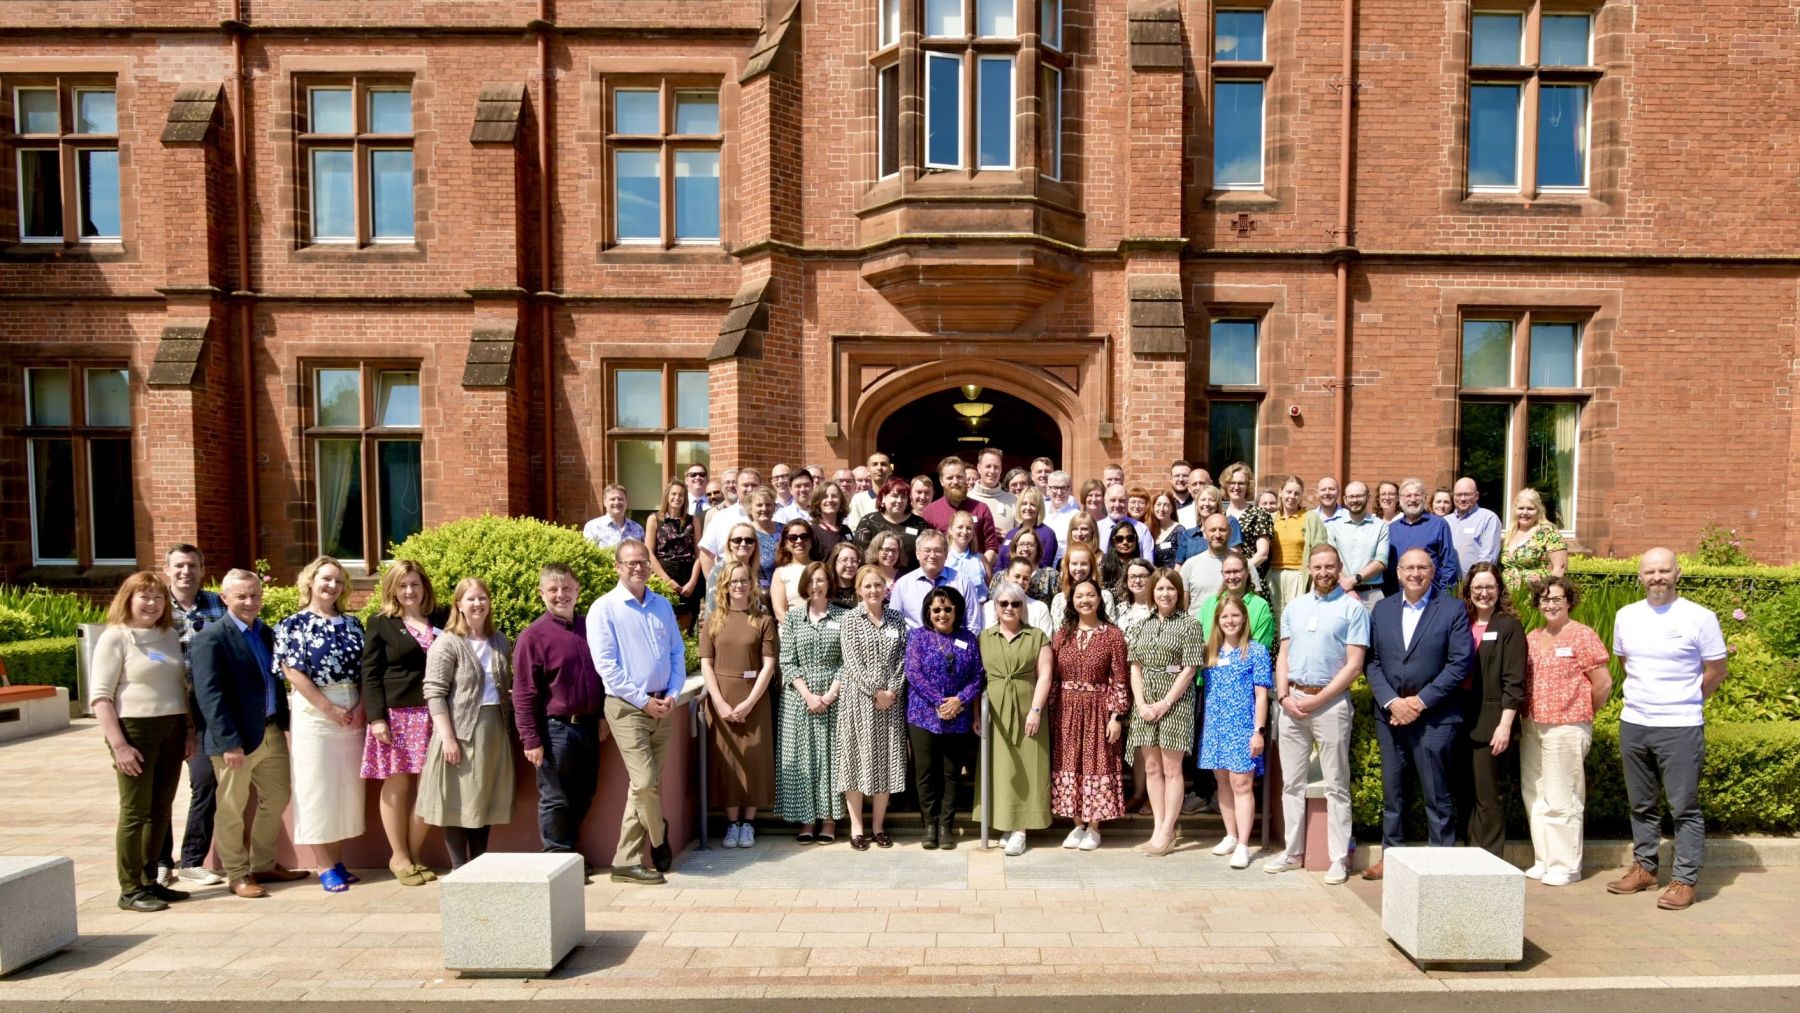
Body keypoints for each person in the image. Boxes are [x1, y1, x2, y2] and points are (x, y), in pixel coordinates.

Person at [1606, 548, 1728, 911]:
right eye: (1650, 571)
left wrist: (1687, 699)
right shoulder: (1626, 616)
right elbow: (1628, 664)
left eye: (1664, 570)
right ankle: (1645, 867)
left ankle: (1685, 879)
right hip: (1635, 722)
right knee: (1641, 803)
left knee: (1684, 807)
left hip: (1680, 726)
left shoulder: (1699, 617)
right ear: (1640, 576)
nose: (1657, 577)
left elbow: (1716, 670)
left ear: (1678, 573)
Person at [1361, 548, 1473, 880]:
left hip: (1435, 717)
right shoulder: (1382, 609)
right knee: (1393, 793)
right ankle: (1390, 856)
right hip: (1391, 716)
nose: (1414, 573)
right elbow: (1372, 661)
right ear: (1398, 573)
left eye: (1421, 567)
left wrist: (1418, 702)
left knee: (1437, 795)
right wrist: (1392, 702)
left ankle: (1442, 862)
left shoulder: (1452, 610)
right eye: (1408, 567)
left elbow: (1459, 664)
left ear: (1432, 571)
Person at [191, 568, 301, 898]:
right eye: (241, 596)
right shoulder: (210, 638)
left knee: (278, 796)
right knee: (231, 807)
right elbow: (208, 694)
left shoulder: (265, 633)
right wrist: (229, 742)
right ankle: (237, 874)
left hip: (269, 731)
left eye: (255, 594)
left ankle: (263, 863)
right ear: (224, 598)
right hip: (235, 741)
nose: (250, 601)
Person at [1263, 544, 1368, 884]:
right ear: (1309, 568)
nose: (1323, 572)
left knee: (1336, 784)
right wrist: (1283, 696)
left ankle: (1339, 858)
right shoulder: (1295, 607)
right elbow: (1283, 656)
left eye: (1329, 566)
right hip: (1292, 702)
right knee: (1291, 784)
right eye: (1318, 566)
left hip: (1331, 704)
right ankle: (1292, 851)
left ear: (1339, 567)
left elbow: (1354, 665)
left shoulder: (1353, 609)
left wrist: (1318, 699)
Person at [91, 572, 191, 912]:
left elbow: (180, 687)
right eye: (144, 597)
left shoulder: (169, 635)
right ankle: (130, 888)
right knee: (135, 812)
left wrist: (188, 730)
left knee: (161, 809)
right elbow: (101, 698)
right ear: (128, 600)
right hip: (135, 730)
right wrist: (119, 745)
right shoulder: (115, 638)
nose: (152, 604)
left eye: (159, 598)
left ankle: (151, 881)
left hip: (173, 727)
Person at [591, 539, 686, 885]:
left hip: (664, 705)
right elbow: (607, 667)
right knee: (645, 782)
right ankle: (658, 835)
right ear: (617, 567)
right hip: (627, 707)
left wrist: (674, 692)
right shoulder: (604, 609)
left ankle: (625, 862)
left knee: (642, 786)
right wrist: (643, 701)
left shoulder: (662, 606)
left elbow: (677, 654)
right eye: (630, 563)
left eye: (643, 561)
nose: (638, 567)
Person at [274, 556, 367, 891]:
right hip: (316, 711)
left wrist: (360, 705)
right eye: (326, 579)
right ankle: (323, 864)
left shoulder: (354, 624)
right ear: (310, 581)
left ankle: (338, 859)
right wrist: (327, 708)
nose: (332, 586)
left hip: (352, 707)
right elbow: (292, 671)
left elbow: (366, 670)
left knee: (345, 789)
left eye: (339, 581)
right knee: (316, 787)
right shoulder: (293, 624)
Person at [418, 577, 515, 870]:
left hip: (494, 730)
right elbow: (434, 692)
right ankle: (460, 868)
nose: (477, 604)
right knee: (458, 803)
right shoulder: (448, 642)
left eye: (482, 598)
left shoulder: (499, 640)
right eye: (471, 599)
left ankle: (480, 865)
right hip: (460, 731)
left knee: (483, 799)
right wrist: (447, 738)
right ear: (458, 604)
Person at [1522, 576, 1612, 887]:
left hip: (1566, 726)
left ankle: (1565, 865)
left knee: (1563, 797)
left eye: (1556, 599)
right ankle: (1543, 859)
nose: (1550, 604)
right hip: (1533, 725)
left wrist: (1582, 715)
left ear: (1569, 601)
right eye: (1545, 599)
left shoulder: (1582, 636)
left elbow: (1603, 684)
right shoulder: (1532, 638)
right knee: (1535, 795)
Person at [512, 563, 605, 857]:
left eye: (566, 588)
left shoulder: (591, 627)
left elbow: (606, 676)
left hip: (589, 727)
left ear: (578, 590)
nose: (560, 595)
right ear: (542, 594)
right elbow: (524, 693)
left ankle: (570, 855)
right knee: (555, 799)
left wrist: (602, 716)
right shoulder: (533, 637)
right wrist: (531, 739)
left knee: (584, 794)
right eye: (553, 590)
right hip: (555, 730)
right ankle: (556, 858)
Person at [359, 560, 443, 886]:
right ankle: (399, 856)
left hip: (435, 714)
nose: (409, 591)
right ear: (393, 589)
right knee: (398, 784)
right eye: (403, 585)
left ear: (424, 587)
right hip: (398, 715)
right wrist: (377, 718)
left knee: (430, 785)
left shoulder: (441, 618)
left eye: (415, 584)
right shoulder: (381, 624)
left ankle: (415, 853)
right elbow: (370, 674)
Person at [160, 544, 228, 887]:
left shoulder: (218, 603)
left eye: (192, 566)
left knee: (205, 780)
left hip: (206, 705)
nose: (185, 572)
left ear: (202, 569)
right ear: (167, 569)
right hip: (166, 705)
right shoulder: (154, 604)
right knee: (162, 786)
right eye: (179, 566)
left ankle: (191, 860)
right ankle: (160, 861)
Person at [1125, 568, 1205, 856]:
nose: (1165, 594)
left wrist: (1166, 703)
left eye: (1170, 589)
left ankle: (1169, 828)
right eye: (1159, 589)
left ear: (1179, 592)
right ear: (1152, 592)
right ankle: (1158, 827)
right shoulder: (1141, 625)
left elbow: (1190, 668)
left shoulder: (1190, 625)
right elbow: (1134, 666)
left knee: (1172, 768)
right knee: (1151, 768)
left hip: (1176, 701)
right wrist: (1142, 703)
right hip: (1145, 701)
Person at [699, 560, 779, 850]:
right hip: (722, 699)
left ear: (751, 584)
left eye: (744, 580)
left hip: (754, 699)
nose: (739, 585)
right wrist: (718, 701)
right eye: (733, 581)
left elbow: (769, 664)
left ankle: (749, 823)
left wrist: (749, 702)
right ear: (724, 585)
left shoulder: (763, 620)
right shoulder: (714, 619)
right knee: (726, 762)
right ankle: (732, 824)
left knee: (753, 760)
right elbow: (706, 662)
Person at [1049, 578, 1130, 851]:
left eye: (1090, 595)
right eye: (1079, 596)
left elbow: (1119, 678)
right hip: (1066, 708)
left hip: (1098, 708)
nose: (1085, 600)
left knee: (1098, 764)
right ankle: (1076, 824)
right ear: (1072, 601)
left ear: (1099, 599)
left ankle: (1094, 826)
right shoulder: (1061, 635)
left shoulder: (1113, 635)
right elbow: (1053, 679)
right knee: (1069, 764)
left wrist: (1116, 716)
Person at [904, 587, 984, 849]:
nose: (942, 614)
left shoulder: (968, 638)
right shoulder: (918, 637)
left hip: (957, 716)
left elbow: (977, 676)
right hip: (923, 715)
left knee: (951, 773)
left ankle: (946, 826)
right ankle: (929, 824)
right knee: (925, 773)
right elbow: (913, 673)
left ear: (957, 610)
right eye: (936, 609)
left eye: (948, 609)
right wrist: (939, 702)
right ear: (928, 611)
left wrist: (959, 700)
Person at [837, 564, 910, 850]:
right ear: (858, 590)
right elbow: (852, 662)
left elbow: (903, 658)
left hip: (890, 702)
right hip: (859, 702)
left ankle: (878, 826)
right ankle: (857, 827)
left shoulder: (895, 619)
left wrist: (891, 690)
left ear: (885, 588)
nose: (873, 590)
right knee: (855, 761)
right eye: (867, 586)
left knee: (887, 762)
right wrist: (875, 692)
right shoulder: (850, 620)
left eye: (878, 585)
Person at [1197, 595, 1272, 870]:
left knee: (1242, 785)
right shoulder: (1210, 653)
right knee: (1223, 782)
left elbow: (1261, 696)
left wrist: (1258, 731)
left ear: (1244, 619)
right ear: (1217, 621)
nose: (1229, 621)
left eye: (1234, 616)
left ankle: (1243, 843)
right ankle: (1229, 834)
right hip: (1216, 727)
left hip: (1242, 727)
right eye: (1224, 617)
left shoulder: (1255, 651)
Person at [980, 580, 1054, 856]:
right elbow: (979, 678)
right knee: (1002, 767)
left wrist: (1036, 710)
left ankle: (1022, 829)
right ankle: (1006, 823)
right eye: (1004, 603)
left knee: (1028, 766)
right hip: (996, 708)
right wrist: (978, 713)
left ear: (1023, 607)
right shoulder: (985, 637)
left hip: (1027, 706)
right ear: (995, 607)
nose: (1010, 608)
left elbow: (1045, 674)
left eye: (1015, 603)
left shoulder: (1037, 636)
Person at [775, 562, 846, 844]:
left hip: (834, 698)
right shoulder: (793, 618)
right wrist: (808, 695)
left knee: (831, 759)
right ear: (804, 584)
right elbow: (787, 661)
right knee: (802, 757)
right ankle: (806, 819)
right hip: (798, 700)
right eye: (812, 581)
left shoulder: (844, 616)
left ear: (829, 583)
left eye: (821, 580)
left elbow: (846, 661)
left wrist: (829, 695)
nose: (816, 585)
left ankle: (829, 821)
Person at [1459, 561, 1526, 858]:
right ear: (1468, 591)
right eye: (1477, 587)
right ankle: (1470, 853)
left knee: (1488, 795)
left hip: (1492, 722)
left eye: (1489, 587)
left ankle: (1489, 859)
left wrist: (1505, 724)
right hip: (1462, 719)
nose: (1483, 593)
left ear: (1499, 590)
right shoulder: (1461, 622)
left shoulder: (1508, 626)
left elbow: (1515, 681)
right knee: (1467, 793)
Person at [891, 529, 985, 637]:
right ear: (917, 553)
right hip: (916, 649)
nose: (932, 555)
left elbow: (973, 623)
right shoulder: (903, 585)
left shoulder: (963, 582)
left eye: (938, 551)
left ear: (946, 554)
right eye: (927, 550)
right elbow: (894, 625)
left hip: (954, 647)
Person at [1385, 478, 1461, 597]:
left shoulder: (1439, 525)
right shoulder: (1391, 529)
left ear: (1424, 497)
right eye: (1408, 495)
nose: (1413, 499)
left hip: (1431, 596)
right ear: (1400, 499)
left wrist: (1444, 597)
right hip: (1398, 597)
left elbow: (1448, 565)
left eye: (1417, 495)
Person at [922, 456, 1002, 565]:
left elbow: (991, 547)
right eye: (950, 478)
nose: (955, 482)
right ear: (941, 481)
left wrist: (978, 570)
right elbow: (924, 549)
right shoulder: (929, 512)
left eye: (959, 477)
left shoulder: (982, 509)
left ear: (965, 478)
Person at [647, 479, 702, 629]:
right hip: (663, 576)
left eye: (681, 495)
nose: (677, 498)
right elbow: (649, 554)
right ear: (667, 496)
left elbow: (699, 554)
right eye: (674, 494)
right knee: (662, 624)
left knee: (687, 626)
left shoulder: (693, 521)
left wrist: (693, 582)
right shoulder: (654, 519)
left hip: (688, 578)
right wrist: (667, 581)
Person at [1195, 551, 1276, 652]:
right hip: (1209, 663)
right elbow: (1196, 639)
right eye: (1227, 572)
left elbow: (1260, 647)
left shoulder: (1260, 606)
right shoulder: (1209, 604)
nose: (1232, 577)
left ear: (1247, 572)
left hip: (1246, 665)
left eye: (1237, 571)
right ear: (1222, 574)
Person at [1326, 481, 1389, 609]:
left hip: (1372, 595)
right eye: (1351, 496)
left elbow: (1381, 561)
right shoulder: (1333, 526)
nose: (1355, 500)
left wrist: (1354, 580)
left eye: (1359, 496)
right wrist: (1348, 588)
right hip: (1341, 593)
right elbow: (1331, 561)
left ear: (1368, 497)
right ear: (1345, 499)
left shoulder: (1380, 526)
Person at [1500, 487, 1569, 594]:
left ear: (1539, 511)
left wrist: (1547, 595)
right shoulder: (1511, 533)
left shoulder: (1548, 532)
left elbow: (1559, 568)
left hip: (1536, 596)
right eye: (1521, 508)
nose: (1525, 512)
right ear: (1515, 509)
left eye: (1530, 509)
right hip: (1508, 599)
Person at [697, 467, 761, 577]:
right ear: (737, 487)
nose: (750, 489)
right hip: (731, 585)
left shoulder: (775, 515)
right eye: (745, 485)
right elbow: (706, 554)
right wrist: (715, 585)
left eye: (754, 485)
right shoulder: (722, 517)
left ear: (760, 487)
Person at [855, 477, 927, 571]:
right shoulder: (868, 522)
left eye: (904, 497)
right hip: (876, 579)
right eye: (895, 496)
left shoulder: (919, 523)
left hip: (910, 580)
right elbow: (860, 556)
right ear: (884, 497)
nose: (900, 500)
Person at [1220, 463, 1273, 585]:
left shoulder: (1259, 513)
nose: (1236, 487)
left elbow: (1263, 554)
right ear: (1225, 485)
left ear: (1248, 486)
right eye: (1232, 483)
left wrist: (1241, 572)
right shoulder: (1220, 514)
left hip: (1250, 578)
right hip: (1224, 578)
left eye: (1241, 483)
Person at [1268, 476, 1310, 620]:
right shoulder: (1271, 518)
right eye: (1288, 492)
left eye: (1296, 493)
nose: (1292, 496)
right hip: (1274, 576)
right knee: (1275, 619)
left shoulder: (1309, 518)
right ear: (1280, 492)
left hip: (1298, 576)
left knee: (1296, 619)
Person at [1181, 513, 1234, 618]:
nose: (1217, 535)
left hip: (1232, 628)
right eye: (1213, 530)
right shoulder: (1190, 565)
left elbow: (1255, 602)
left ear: (1230, 533)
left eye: (1222, 530)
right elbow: (1182, 607)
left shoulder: (1244, 565)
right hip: (1198, 630)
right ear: (1204, 533)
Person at [984, 558, 1056, 635]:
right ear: (1006, 576)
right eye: (1017, 576)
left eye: (1025, 579)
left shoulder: (1040, 609)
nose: (1021, 581)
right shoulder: (988, 608)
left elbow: (1045, 641)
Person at [1049, 541, 1116, 621]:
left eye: (1084, 564)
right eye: (1074, 564)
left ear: (1091, 566)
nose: (1079, 568)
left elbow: (1111, 628)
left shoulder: (1105, 597)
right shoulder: (1059, 599)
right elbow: (1057, 631)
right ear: (1068, 566)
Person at [1450, 477, 1502, 576]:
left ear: (1476, 496)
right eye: (1459, 495)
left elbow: (1488, 558)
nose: (1463, 498)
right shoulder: (1446, 521)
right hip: (1448, 585)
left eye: (1467, 494)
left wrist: (1474, 580)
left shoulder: (1488, 518)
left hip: (1474, 584)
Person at [710, 521, 764, 613]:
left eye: (749, 540)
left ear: (755, 545)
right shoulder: (720, 570)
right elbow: (711, 608)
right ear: (729, 544)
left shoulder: (759, 570)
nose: (743, 544)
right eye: (737, 540)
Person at [768, 518, 819, 616]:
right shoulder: (781, 573)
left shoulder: (822, 569)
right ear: (786, 543)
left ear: (811, 540)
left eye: (804, 537)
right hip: (792, 629)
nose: (799, 541)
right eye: (793, 538)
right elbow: (780, 613)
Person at [999, 488, 1057, 570]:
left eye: (1033, 504)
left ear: (1039, 508)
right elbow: (999, 564)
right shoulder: (1011, 534)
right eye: (1024, 504)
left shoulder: (1047, 535)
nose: (1028, 507)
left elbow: (1044, 567)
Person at [968, 446, 1017, 532]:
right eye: (988, 466)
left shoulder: (1013, 500)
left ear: (1001, 469)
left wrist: (1010, 536)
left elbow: (1021, 535)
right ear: (979, 468)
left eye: (996, 467)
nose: (992, 471)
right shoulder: (967, 498)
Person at [1098, 485, 1151, 562]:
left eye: (1121, 500)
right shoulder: (1097, 528)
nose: (1117, 505)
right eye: (1113, 500)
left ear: (1127, 502)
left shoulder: (1142, 529)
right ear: (1105, 501)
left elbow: (1148, 563)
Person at [944, 510, 991, 596]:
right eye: (960, 527)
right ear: (950, 530)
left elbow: (990, 589)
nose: (964, 532)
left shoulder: (981, 559)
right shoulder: (943, 558)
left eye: (969, 528)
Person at [582, 483, 644, 549]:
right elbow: (590, 555)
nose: (617, 502)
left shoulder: (637, 528)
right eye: (612, 499)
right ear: (605, 502)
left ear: (626, 502)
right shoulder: (592, 527)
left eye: (620, 499)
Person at [746, 488, 782, 592]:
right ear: (750, 509)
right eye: (759, 505)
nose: (764, 508)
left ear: (774, 507)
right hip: (757, 593)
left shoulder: (785, 530)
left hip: (784, 590)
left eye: (768, 504)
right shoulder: (746, 533)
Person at [1100, 522, 1146, 599]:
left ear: (1136, 540)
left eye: (1130, 538)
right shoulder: (1103, 564)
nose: (1125, 542)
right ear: (1113, 541)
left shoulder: (1143, 567)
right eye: (1119, 539)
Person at [849, 452, 893, 523]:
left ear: (890, 470)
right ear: (868, 471)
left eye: (883, 464)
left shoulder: (898, 498)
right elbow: (854, 529)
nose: (879, 468)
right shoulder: (858, 500)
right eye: (875, 464)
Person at [810, 480, 851, 555]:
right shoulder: (812, 531)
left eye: (834, 496)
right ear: (818, 502)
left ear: (840, 501)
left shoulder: (846, 530)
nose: (830, 500)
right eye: (825, 497)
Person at [1148, 490, 1185, 569]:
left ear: (1172, 509)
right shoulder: (1150, 531)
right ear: (1153, 507)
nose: (1161, 509)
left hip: (1173, 577)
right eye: (1158, 504)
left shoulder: (1179, 530)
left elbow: (1182, 559)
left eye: (1166, 505)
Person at [824, 540, 863, 609]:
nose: (849, 565)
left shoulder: (863, 590)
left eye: (853, 561)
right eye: (844, 560)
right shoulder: (826, 591)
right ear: (834, 563)